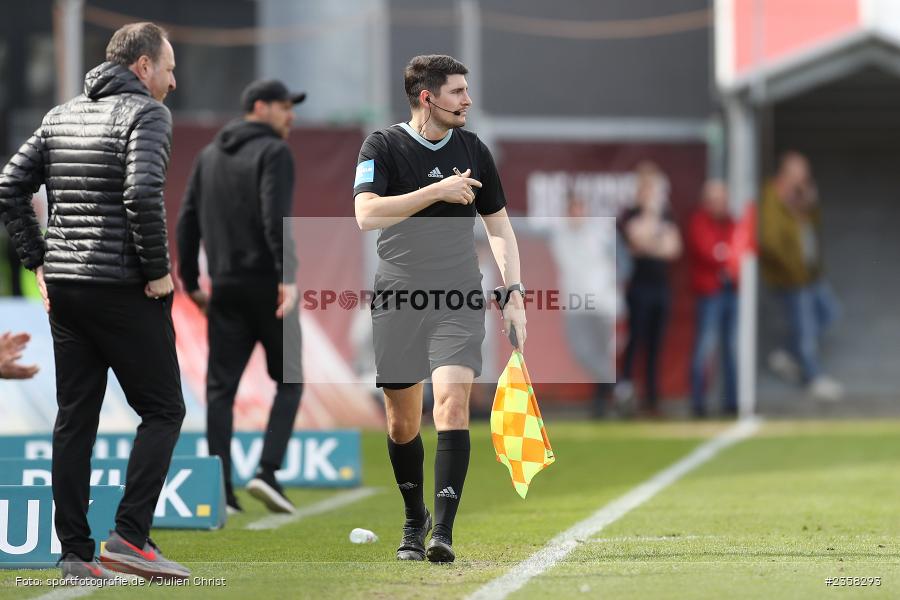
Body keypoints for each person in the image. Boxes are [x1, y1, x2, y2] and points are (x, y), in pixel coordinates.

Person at [0, 22, 189, 581]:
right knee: (163, 409)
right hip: (124, 286)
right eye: (170, 68)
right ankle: (130, 537)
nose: (174, 82)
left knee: (74, 419)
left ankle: (75, 554)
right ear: (143, 67)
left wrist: (38, 260)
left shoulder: (59, 115)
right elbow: (140, 192)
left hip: (67, 292)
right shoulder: (147, 114)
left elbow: (9, 185)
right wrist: (157, 272)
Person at [353, 54, 526, 563]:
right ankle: (414, 519)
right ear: (427, 98)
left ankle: (442, 532)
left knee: (451, 404)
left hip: (457, 293)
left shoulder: (475, 150)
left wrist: (514, 293)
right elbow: (365, 214)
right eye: (456, 92)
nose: (467, 100)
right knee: (402, 423)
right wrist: (438, 190)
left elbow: (499, 227)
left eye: (466, 91)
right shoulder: (381, 146)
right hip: (398, 294)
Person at [176, 79, 304, 516]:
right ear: (261, 107)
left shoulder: (209, 155)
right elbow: (275, 215)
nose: (291, 116)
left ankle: (220, 492)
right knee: (290, 380)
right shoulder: (274, 152)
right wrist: (287, 275)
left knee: (219, 392)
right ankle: (267, 472)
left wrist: (191, 282)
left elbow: (187, 220)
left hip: (224, 287)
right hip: (268, 283)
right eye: (285, 107)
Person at [760, 152, 842, 401]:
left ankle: (788, 353)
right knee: (805, 330)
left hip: (811, 274)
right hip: (791, 278)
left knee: (830, 312)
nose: (804, 178)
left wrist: (808, 205)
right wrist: (793, 270)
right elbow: (770, 241)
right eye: (799, 173)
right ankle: (814, 377)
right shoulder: (771, 197)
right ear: (786, 173)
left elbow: (813, 229)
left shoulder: (802, 199)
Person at [617, 162, 682, 417]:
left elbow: (673, 249)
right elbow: (637, 240)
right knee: (635, 342)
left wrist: (651, 241)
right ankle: (626, 397)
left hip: (660, 286)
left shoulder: (666, 214)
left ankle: (652, 399)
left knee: (656, 345)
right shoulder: (630, 214)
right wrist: (655, 234)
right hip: (639, 286)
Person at [547, 193, 617, 417]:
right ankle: (619, 389)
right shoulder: (559, 236)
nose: (576, 214)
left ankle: (601, 406)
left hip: (602, 302)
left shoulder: (601, 234)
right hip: (575, 304)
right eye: (572, 210)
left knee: (601, 353)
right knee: (581, 351)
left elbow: (621, 262)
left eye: (579, 208)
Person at [687, 181, 738, 417]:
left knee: (731, 347)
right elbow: (708, 251)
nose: (720, 204)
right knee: (706, 346)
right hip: (710, 293)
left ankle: (732, 401)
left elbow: (738, 251)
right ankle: (698, 402)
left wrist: (724, 253)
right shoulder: (699, 221)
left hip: (731, 290)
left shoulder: (732, 223)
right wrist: (724, 254)